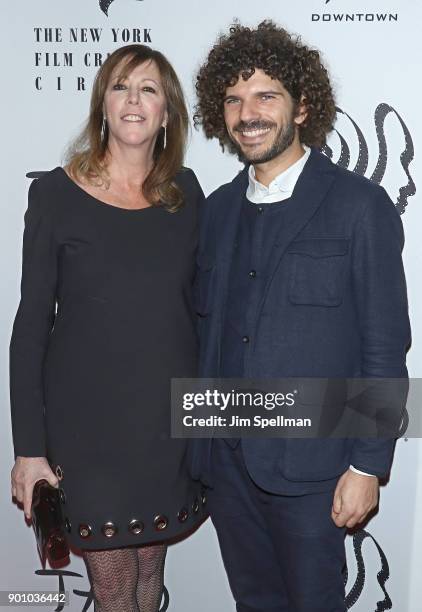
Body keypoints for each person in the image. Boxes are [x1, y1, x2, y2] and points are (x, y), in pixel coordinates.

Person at [191, 21, 410, 612]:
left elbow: (385, 347)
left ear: (303, 105)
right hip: (227, 468)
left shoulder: (360, 207)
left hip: (315, 472)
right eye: (234, 99)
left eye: (267, 95)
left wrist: (368, 463)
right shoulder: (215, 212)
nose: (248, 113)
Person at [10, 44, 206, 612]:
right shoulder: (54, 194)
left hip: (168, 424)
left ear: (167, 114)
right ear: (103, 104)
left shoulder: (186, 197)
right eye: (121, 86)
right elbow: (29, 327)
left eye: (150, 89)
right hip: (88, 431)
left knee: (150, 572)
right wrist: (29, 450)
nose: (134, 100)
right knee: (116, 587)